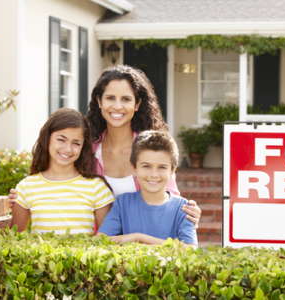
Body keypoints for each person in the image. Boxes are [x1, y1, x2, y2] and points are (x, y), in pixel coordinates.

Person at [86, 65, 201, 225]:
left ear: (137, 104)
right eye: (110, 98)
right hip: (98, 245)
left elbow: (170, 197)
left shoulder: (152, 149)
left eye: (126, 99)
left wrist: (189, 214)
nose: (118, 106)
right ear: (99, 101)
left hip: (143, 244)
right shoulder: (88, 150)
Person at [11, 108, 114, 234]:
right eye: (61, 140)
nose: (68, 149)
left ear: (83, 147)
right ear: (47, 138)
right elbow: (15, 237)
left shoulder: (96, 187)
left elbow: (108, 238)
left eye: (76, 143)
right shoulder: (27, 187)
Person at [98, 130, 197, 246]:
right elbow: (101, 240)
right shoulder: (123, 203)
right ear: (134, 168)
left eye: (162, 167)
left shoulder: (184, 208)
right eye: (146, 166)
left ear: (172, 170)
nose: (154, 174)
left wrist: (139, 237)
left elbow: (190, 249)